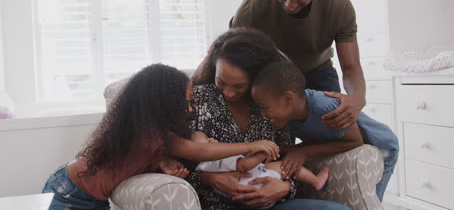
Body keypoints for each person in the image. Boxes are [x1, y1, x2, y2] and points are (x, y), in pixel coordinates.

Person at [42, 63, 280, 210]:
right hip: (70, 190)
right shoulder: (146, 131)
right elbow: (201, 152)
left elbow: (131, 161)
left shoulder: (155, 134)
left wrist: (160, 163)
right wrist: (252, 146)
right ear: (164, 102)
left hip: (92, 197)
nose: (189, 110)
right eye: (185, 103)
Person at [189, 27, 351, 210]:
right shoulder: (197, 101)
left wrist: (285, 187)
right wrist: (210, 179)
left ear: (258, 77)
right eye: (221, 82)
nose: (228, 93)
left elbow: (284, 159)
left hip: (270, 204)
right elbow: (176, 164)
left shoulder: (273, 104)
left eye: (239, 86)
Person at [230, 0, 366, 131]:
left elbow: (351, 67)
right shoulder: (256, 2)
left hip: (318, 71)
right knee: (277, 136)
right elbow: (231, 52)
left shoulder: (338, 5)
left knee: (334, 127)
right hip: (274, 75)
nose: (291, 4)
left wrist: (357, 99)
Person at [251, 61, 399, 201]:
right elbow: (319, 141)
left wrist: (304, 152)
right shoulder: (292, 116)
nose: (263, 114)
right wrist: (280, 150)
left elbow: (355, 141)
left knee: (368, 200)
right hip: (355, 150)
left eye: (264, 107)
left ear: (288, 99)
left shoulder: (324, 107)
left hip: (382, 147)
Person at [190, 131, 329, 209]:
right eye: (208, 140)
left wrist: (287, 187)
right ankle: (315, 181)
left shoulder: (202, 165)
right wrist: (263, 152)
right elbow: (244, 165)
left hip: (259, 187)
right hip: (255, 185)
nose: (213, 138)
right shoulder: (216, 159)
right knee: (284, 166)